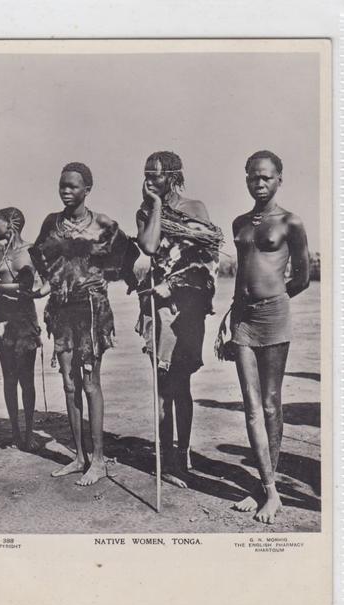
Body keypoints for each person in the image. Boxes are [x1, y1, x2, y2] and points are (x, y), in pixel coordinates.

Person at [30, 162, 138, 486]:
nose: (65, 191)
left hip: (91, 310)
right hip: (62, 310)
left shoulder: (103, 224)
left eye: (73, 186)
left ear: (87, 189)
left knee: (90, 383)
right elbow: (38, 253)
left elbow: (129, 255)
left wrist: (117, 276)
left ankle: (100, 460)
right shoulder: (52, 222)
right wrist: (51, 279)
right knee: (69, 383)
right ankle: (79, 457)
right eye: (62, 185)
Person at [230, 150, 310, 524]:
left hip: (274, 317)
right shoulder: (239, 224)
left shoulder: (291, 222)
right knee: (250, 406)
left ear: (280, 178)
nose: (259, 184)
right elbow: (241, 274)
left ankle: (267, 485)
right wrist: (231, 317)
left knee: (271, 404)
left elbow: (302, 277)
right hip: (242, 321)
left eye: (266, 177)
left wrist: (274, 300)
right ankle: (269, 489)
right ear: (246, 178)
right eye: (253, 177)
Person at [136, 151, 222, 488]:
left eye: (156, 175)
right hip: (157, 304)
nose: (149, 180)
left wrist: (177, 286)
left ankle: (181, 454)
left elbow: (208, 257)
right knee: (162, 384)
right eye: (146, 174)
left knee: (181, 383)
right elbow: (148, 246)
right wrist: (156, 205)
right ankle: (166, 458)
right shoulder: (145, 211)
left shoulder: (196, 208)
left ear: (173, 175)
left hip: (188, 306)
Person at [0, 207, 41, 451]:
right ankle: (15, 433)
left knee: (26, 378)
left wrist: (5, 289)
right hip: (2, 319)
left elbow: (33, 288)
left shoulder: (30, 252)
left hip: (25, 320)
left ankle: (29, 433)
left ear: (11, 225)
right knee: (9, 377)